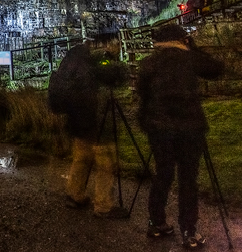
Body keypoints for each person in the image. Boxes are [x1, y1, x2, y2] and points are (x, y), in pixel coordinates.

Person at [137, 24, 223, 249]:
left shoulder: (149, 63)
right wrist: (193, 47)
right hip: (189, 128)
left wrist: (146, 122)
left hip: (159, 128)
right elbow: (216, 69)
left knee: (163, 175)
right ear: (181, 40)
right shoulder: (190, 59)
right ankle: (189, 230)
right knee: (188, 179)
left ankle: (156, 222)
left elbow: (142, 96)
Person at [47, 41, 128, 219]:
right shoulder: (99, 59)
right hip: (96, 118)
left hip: (76, 118)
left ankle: (75, 195)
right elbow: (115, 75)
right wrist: (113, 57)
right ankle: (103, 205)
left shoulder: (73, 56)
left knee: (82, 158)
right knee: (106, 162)